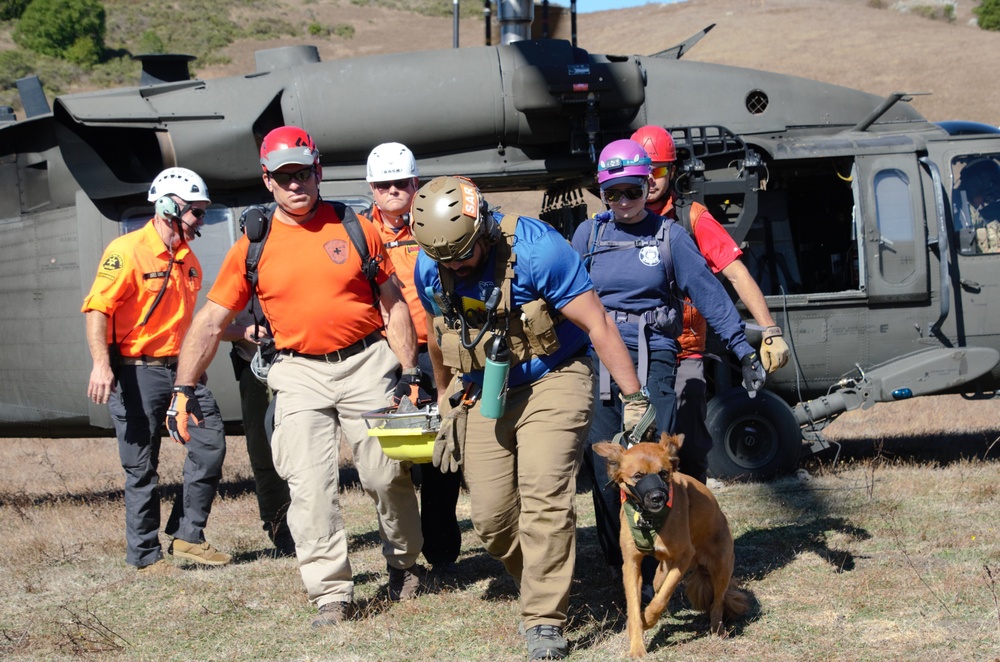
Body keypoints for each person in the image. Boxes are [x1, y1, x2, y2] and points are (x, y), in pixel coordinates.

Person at [168, 126, 428, 627]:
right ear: (267, 180)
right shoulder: (253, 243)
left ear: (318, 172)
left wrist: (409, 369)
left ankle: (403, 564)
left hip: (367, 361)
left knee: (383, 474)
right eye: (284, 177)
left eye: (303, 174)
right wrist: (183, 387)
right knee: (309, 485)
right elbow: (210, 321)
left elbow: (391, 302)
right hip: (298, 371)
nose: (295, 185)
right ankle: (330, 592)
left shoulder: (354, 225)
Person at [411, 175, 652, 661]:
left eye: (463, 253)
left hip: (554, 375)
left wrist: (635, 397)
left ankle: (544, 620)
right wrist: (443, 394)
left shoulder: (539, 249)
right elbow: (440, 333)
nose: (455, 265)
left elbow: (597, 322)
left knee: (544, 494)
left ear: (483, 230)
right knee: (492, 519)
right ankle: (543, 580)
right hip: (487, 387)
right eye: (446, 259)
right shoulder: (430, 265)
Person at [570, 139, 765, 577]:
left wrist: (742, 347)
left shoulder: (670, 236)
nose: (624, 202)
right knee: (606, 466)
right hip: (598, 358)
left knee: (655, 466)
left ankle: (666, 554)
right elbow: (563, 294)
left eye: (632, 191)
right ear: (602, 192)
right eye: (613, 193)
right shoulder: (589, 235)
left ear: (647, 185)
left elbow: (711, 294)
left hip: (654, 356)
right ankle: (619, 564)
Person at [82, 166, 230, 574]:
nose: (202, 221)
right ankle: (146, 556)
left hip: (179, 374)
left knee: (210, 443)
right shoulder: (126, 251)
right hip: (136, 373)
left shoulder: (189, 261)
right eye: (196, 212)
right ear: (167, 206)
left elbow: (189, 325)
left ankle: (187, 536)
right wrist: (100, 364)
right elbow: (97, 309)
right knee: (141, 467)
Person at [630, 124, 790, 484]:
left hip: (685, 351)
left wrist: (769, 330)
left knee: (689, 442)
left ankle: (695, 521)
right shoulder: (614, 221)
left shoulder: (692, 217)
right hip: (631, 351)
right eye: (644, 171)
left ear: (672, 171)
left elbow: (736, 274)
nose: (652, 180)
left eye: (659, 170)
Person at [362, 142, 463, 580]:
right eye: (384, 185)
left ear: (415, 183)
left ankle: (442, 553)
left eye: (401, 183)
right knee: (394, 461)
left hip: (439, 351)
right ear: (372, 188)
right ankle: (402, 557)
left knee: (444, 454)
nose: (393, 192)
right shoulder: (360, 233)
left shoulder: (433, 225)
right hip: (385, 356)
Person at [221, 305, 294, 557]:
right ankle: (280, 529)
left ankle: (314, 525)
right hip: (257, 371)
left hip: (302, 366)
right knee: (264, 451)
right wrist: (243, 331)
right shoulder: (242, 270)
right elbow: (215, 327)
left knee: (307, 446)